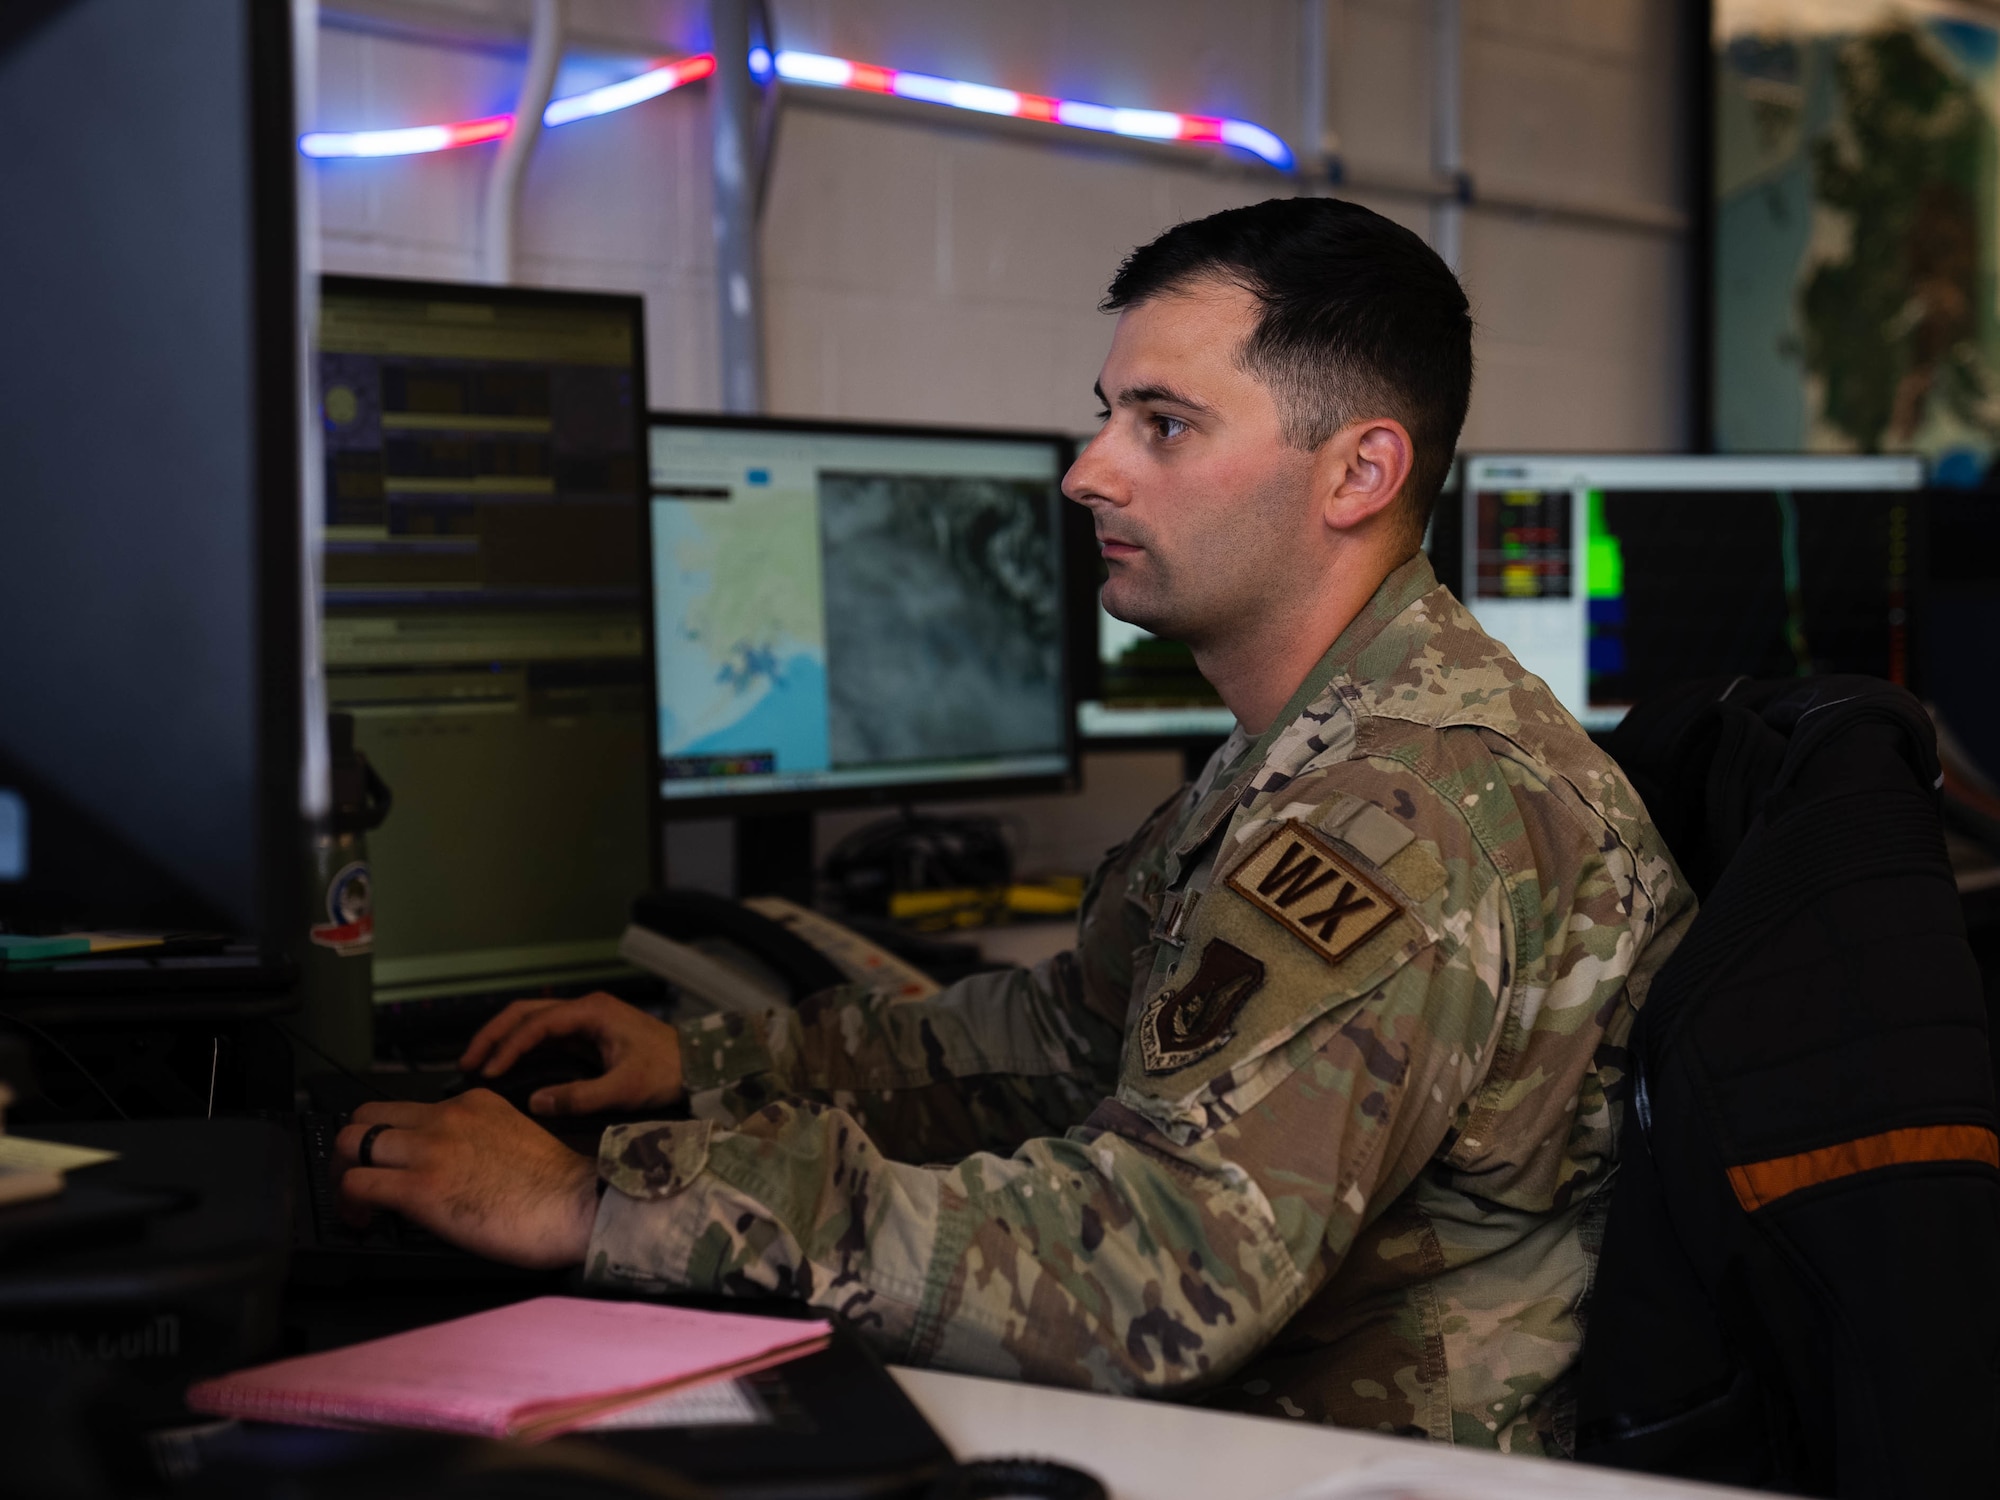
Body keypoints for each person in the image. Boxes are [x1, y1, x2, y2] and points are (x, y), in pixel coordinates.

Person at [336, 197, 1693, 1455]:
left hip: (1356, 1466)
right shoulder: (1316, 742)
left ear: (1359, 473)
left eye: (1162, 425)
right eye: (1106, 414)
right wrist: (707, 1066)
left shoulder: (1402, 808)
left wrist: (603, 1203)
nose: (1088, 472)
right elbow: (1057, 1040)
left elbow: (1158, 1269)